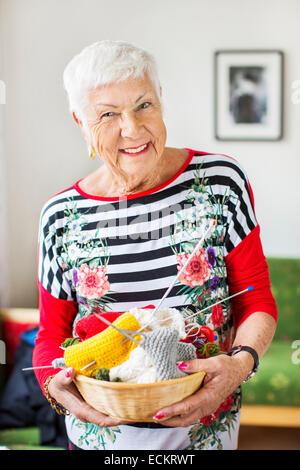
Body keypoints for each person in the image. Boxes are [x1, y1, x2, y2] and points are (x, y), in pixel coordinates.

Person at [32, 40, 277, 451]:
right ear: (79, 121)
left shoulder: (220, 182)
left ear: (161, 99)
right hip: (101, 440)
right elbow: (51, 334)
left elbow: (256, 300)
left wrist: (239, 366)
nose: (132, 128)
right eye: (107, 114)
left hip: (206, 433)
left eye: (143, 104)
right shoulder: (59, 216)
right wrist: (53, 387)